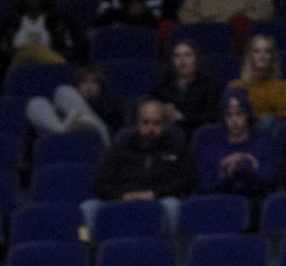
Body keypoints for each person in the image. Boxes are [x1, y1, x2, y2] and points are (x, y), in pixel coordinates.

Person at [89, 100, 193, 236]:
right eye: (145, 122)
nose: (151, 129)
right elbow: (100, 184)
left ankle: (173, 252)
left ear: (165, 124)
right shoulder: (120, 146)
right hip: (123, 197)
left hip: (160, 198)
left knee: (172, 206)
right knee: (88, 208)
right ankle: (93, 253)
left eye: (157, 123)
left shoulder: (176, 146)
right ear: (137, 124)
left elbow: (187, 181)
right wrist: (122, 195)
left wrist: (154, 194)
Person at [195, 93, 270, 202]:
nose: (234, 121)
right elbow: (205, 185)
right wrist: (224, 169)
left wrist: (247, 163)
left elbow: (269, 179)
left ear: (248, 115)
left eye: (239, 114)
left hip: (255, 201)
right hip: (219, 202)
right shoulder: (211, 143)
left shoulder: (262, 141)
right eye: (229, 115)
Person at [152, 39, 219, 135]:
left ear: (196, 59)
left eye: (187, 55)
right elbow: (149, 105)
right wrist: (161, 109)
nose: (182, 61)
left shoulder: (209, 85)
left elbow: (212, 117)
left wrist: (182, 117)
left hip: (197, 134)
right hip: (167, 136)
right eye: (177, 56)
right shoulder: (163, 85)